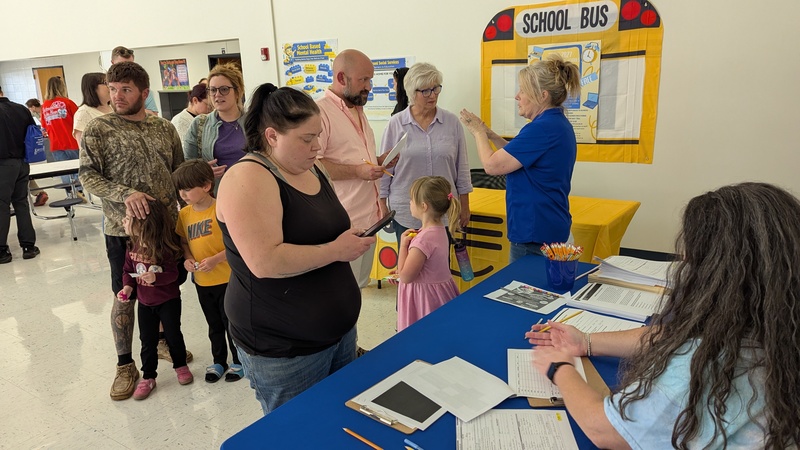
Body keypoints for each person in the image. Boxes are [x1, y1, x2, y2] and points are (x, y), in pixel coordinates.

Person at [526, 182, 800, 449]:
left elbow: (606, 430)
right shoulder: (779, 327)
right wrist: (585, 342)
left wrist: (559, 368)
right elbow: (674, 334)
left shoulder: (707, 364)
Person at [215, 83, 375, 414]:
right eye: (307, 139)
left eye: (318, 135)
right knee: (299, 435)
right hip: (285, 350)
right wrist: (336, 250)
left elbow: (320, 229)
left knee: (337, 423)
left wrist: (347, 237)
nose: (318, 146)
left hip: (337, 333)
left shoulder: (313, 167)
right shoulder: (249, 177)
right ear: (272, 136)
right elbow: (265, 261)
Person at [79, 61, 188, 401]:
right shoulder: (99, 129)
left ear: (144, 92)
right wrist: (126, 194)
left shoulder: (164, 128)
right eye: (112, 89)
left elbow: (177, 172)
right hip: (123, 231)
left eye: (125, 89)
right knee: (125, 294)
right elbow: (87, 176)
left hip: (166, 230)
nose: (117, 96)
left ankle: (158, 342)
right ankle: (125, 364)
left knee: (166, 289)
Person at [459, 54, 580, 263]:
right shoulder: (555, 124)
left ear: (542, 96)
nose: (517, 96)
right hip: (547, 226)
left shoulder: (542, 129)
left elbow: (491, 165)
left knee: (525, 293)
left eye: (523, 91)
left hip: (535, 234)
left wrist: (477, 132)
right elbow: (515, 157)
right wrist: (490, 134)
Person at [317, 49, 393, 290]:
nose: (369, 86)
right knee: (341, 292)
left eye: (370, 80)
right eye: (364, 80)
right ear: (341, 78)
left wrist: (380, 160)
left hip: (369, 219)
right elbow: (314, 165)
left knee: (358, 286)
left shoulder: (357, 109)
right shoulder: (320, 112)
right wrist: (358, 172)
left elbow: (356, 158)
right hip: (342, 224)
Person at [380, 62, 472, 244]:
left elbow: (461, 167)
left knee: (439, 264)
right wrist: (382, 204)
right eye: (426, 91)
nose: (433, 95)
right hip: (407, 211)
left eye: (436, 89)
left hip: (442, 210)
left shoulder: (451, 122)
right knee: (409, 267)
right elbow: (385, 168)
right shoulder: (396, 124)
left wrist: (465, 205)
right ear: (412, 93)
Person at [173, 159, 241, 383]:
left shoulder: (221, 208)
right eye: (180, 189)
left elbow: (236, 243)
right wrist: (188, 260)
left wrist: (215, 260)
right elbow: (184, 244)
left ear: (206, 185)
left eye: (188, 188)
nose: (183, 194)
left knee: (232, 322)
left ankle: (239, 361)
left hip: (227, 279)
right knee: (214, 324)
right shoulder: (184, 215)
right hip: (202, 281)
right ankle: (219, 361)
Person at [118, 200, 193, 400]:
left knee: (173, 335)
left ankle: (181, 366)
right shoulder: (131, 245)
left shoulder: (164, 247)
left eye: (128, 218)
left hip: (168, 301)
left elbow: (173, 275)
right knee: (147, 341)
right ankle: (148, 376)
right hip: (144, 303)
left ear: (143, 224)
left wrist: (156, 278)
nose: (124, 221)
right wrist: (127, 288)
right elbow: (128, 271)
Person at [396, 176, 460, 331]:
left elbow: (405, 277)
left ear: (423, 206)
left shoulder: (422, 240)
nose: (410, 203)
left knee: (421, 337)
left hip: (423, 301)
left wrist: (403, 246)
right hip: (439, 295)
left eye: (411, 199)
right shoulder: (439, 230)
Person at [183, 63, 246, 187]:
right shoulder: (199, 124)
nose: (217, 95)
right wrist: (203, 172)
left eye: (224, 89)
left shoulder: (254, 122)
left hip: (252, 191)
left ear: (237, 92)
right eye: (212, 90)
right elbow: (187, 167)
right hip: (216, 196)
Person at [0, 85, 40, 264]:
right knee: (21, 203)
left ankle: (2, 251)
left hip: (2, 166)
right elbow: (33, 135)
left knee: (1, 206)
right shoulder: (21, 109)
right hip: (22, 163)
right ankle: (28, 247)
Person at [41, 76, 83, 196]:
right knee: (77, 167)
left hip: (55, 144)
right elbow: (79, 120)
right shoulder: (68, 103)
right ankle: (79, 190)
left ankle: (70, 193)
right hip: (72, 141)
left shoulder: (45, 106)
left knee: (64, 171)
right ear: (62, 87)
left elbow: (44, 126)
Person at [110, 46, 159, 116]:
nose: (125, 69)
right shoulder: (103, 88)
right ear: (112, 63)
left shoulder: (141, 85)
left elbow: (154, 114)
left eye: (130, 65)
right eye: (113, 89)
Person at [72, 72, 112, 144]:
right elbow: (84, 148)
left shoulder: (114, 108)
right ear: (93, 88)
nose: (110, 86)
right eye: (106, 83)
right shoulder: (83, 113)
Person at [24, 98, 47, 207]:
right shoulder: (35, 113)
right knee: (25, 175)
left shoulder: (43, 110)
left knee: (22, 176)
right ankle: (39, 193)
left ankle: (39, 193)